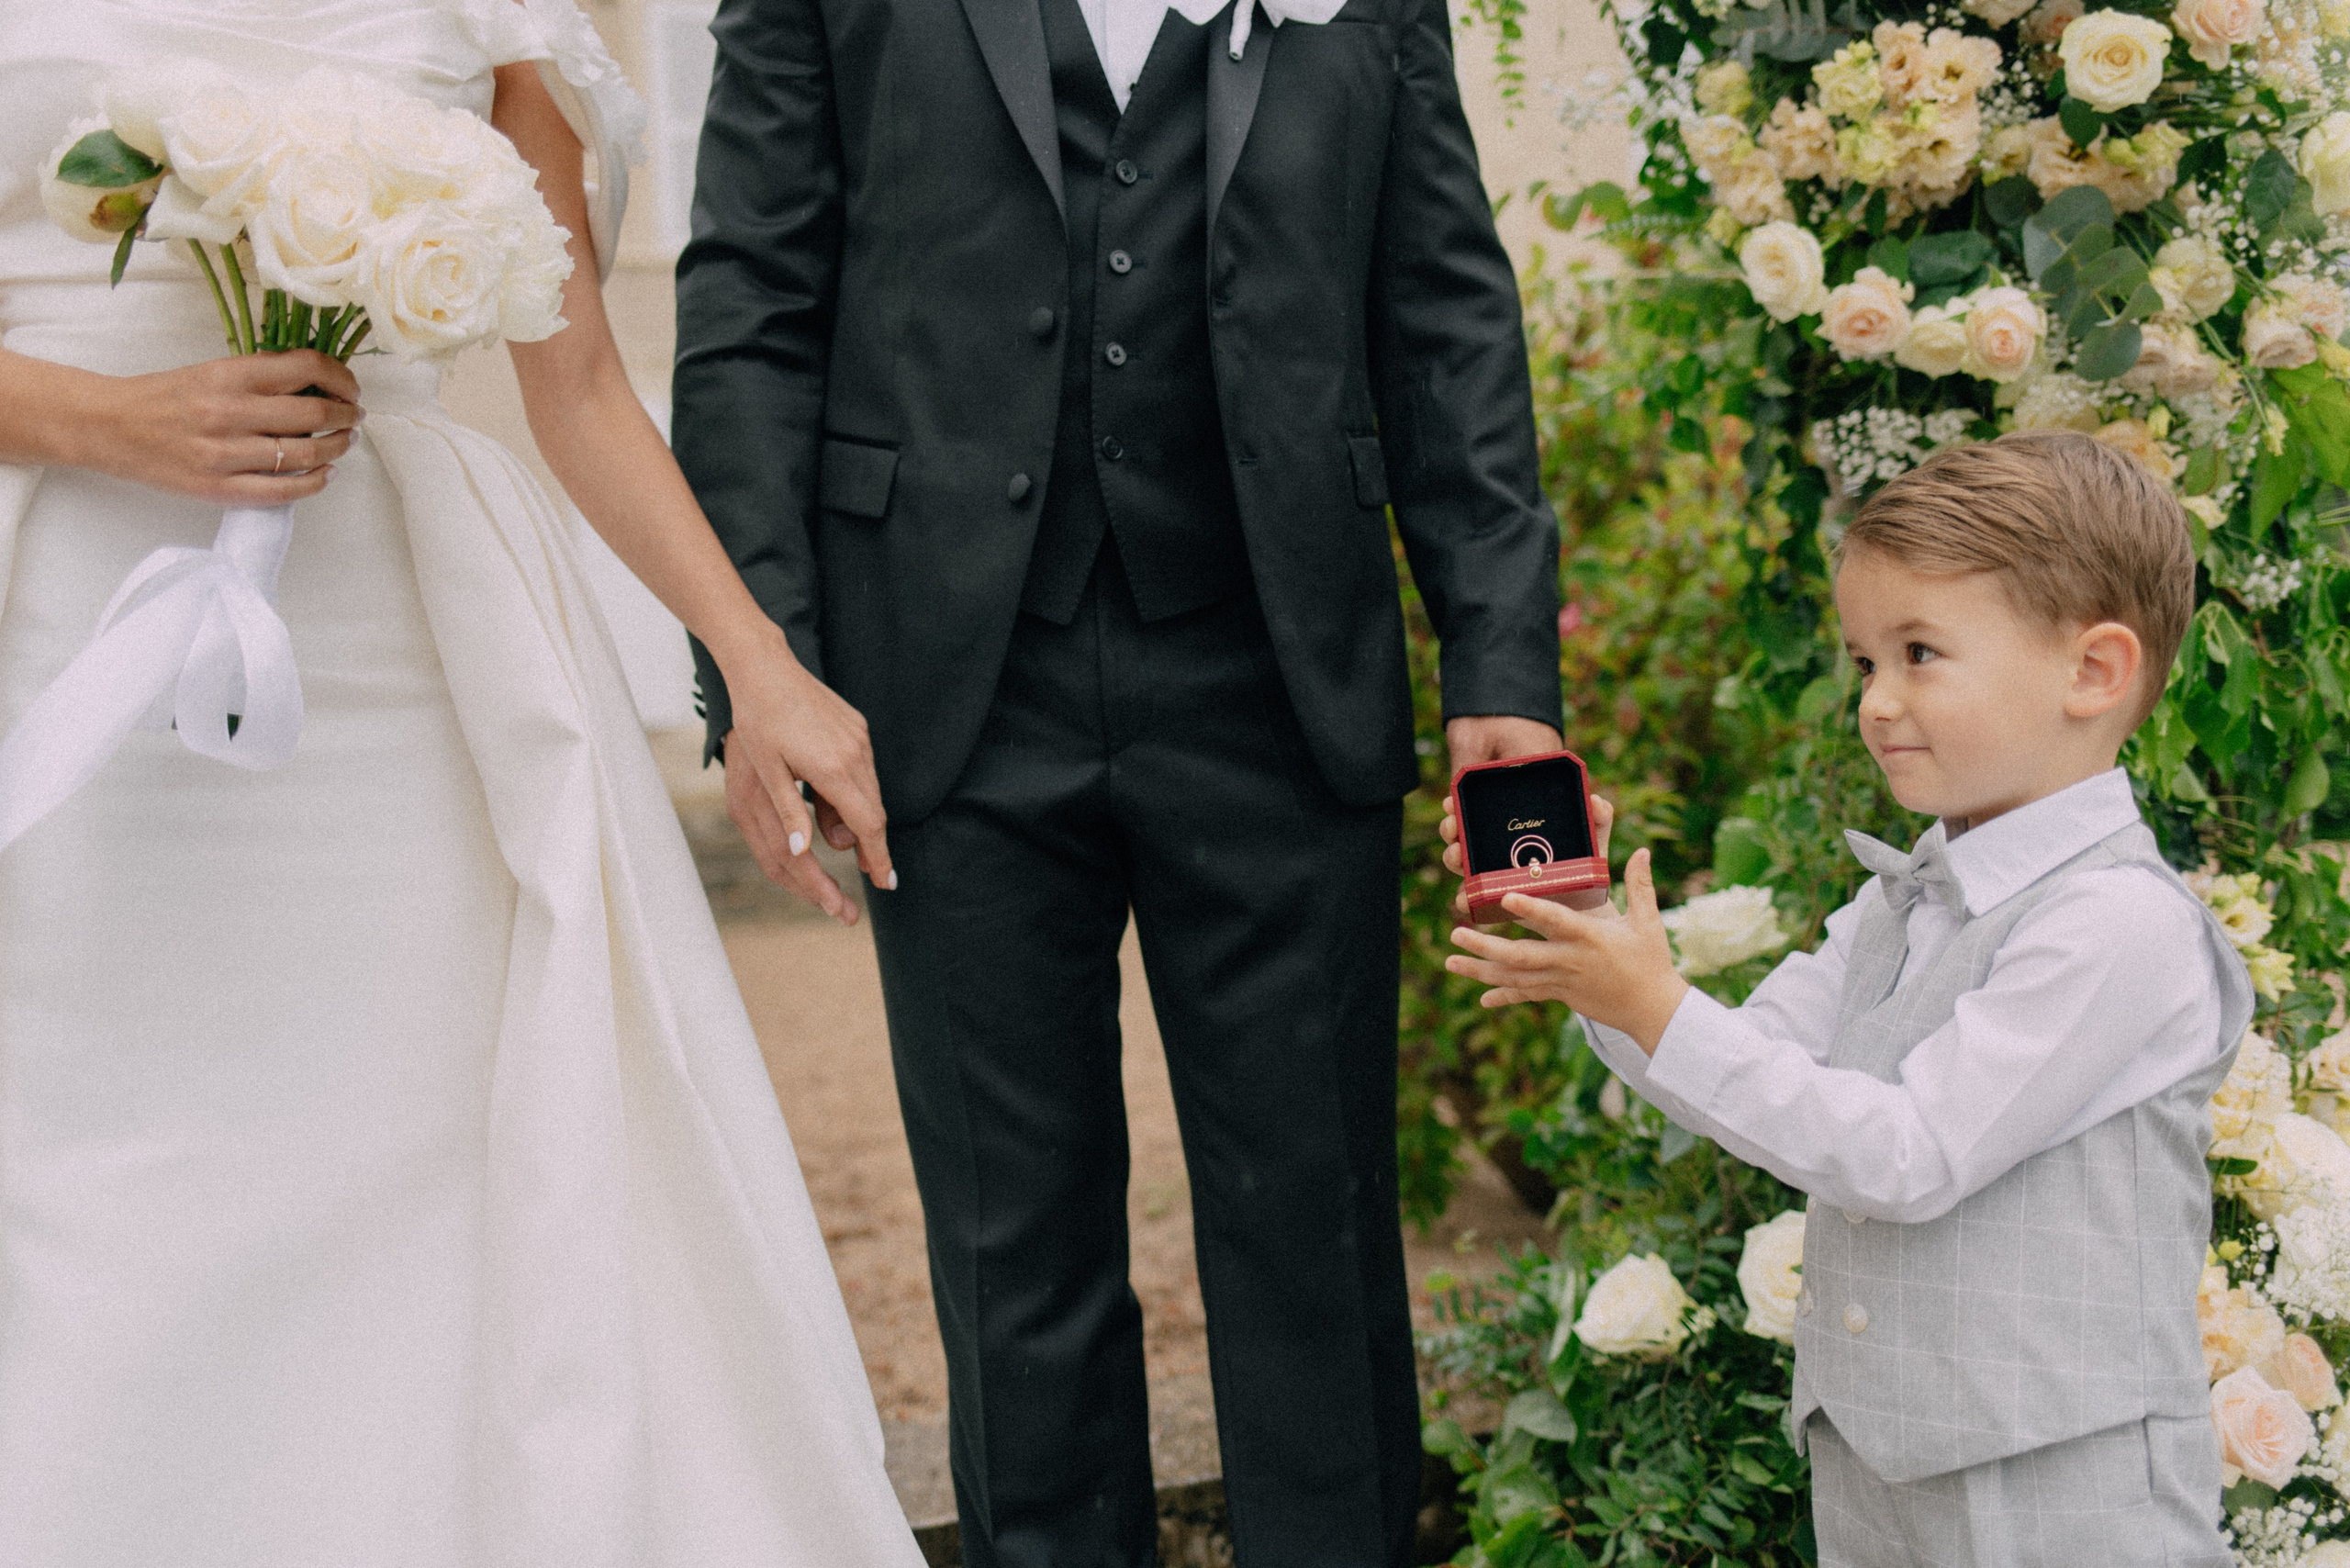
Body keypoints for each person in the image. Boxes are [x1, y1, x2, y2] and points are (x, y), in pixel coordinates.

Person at [0, 3, 920, 1562]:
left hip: (391, 667)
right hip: (65, 631)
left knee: (415, 1164)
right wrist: (116, 419)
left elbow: (578, 389)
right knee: (96, 1169)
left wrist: (758, 664)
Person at [672, 2, 1563, 1562]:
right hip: (941, 680)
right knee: (1014, 1245)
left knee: (1318, 1225)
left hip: (1280, 673)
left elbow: (1444, 313)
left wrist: (1500, 666)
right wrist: (765, 664)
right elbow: (752, 292)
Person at [1442, 431, 2252, 1567]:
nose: (1876, 701)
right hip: (1878, 1463)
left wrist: (1654, 1004)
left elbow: (1908, 1154)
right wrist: (1597, 960)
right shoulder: (1907, 895)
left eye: (1919, 653)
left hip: (2064, 1491)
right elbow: (1735, 1073)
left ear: (2093, 671)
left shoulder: (2115, 923)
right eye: (1864, 661)